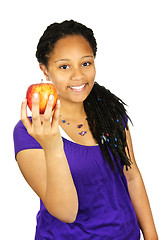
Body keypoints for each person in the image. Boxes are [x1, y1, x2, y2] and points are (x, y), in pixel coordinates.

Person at [13, 20, 158, 240]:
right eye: (64, 66)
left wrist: (151, 236)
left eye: (86, 63)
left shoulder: (109, 113)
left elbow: (132, 177)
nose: (78, 76)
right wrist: (53, 146)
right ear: (45, 70)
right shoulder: (31, 131)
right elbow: (66, 212)